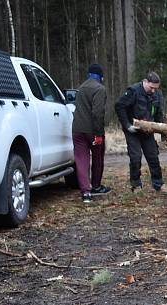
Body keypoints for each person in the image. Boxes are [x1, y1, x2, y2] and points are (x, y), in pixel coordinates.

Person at [115, 72, 167, 195]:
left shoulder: (157, 94)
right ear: (145, 81)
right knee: (136, 157)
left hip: (147, 131)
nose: (153, 91)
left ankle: (159, 184)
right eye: (151, 87)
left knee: (153, 157)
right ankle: (136, 185)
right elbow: (119, 106)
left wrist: (163, 133)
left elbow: (158, 113)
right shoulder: (133, 91)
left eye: (155, 88)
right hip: (133, 131)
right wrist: (127, 125)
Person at [72, 63, 109, 203]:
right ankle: (96, 186)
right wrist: (99, 134)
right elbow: (97, 113)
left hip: (77, 130)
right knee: (98, 156)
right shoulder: (99, 88)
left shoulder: (81, 88)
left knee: (81, 159)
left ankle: (85, 192)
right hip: (92, 130)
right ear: (101, 76)